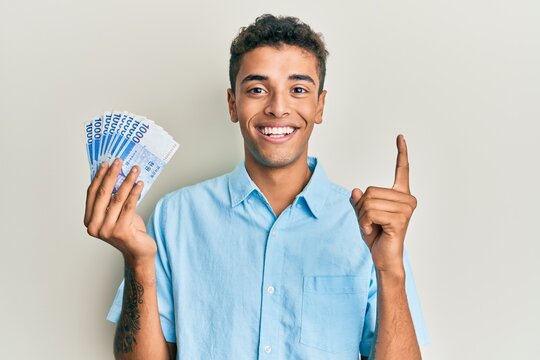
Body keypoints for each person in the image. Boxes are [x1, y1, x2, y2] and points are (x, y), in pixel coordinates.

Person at [84, 14, 428, 360]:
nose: (278, 108)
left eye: (298, 90)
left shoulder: (369, 230)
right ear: (233, 104)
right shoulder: (176, 217)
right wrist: (137, 261)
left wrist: (390, 270)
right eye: (257, 89)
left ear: (319, 105)